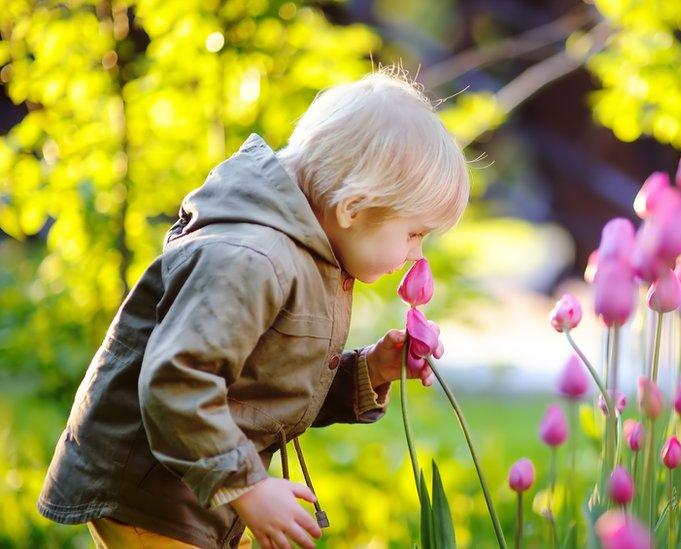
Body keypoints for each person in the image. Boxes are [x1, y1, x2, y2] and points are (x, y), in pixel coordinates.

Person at [37, 67, 470, 548]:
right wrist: (249, 487)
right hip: (154, 495)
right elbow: (176, 382)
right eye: (413, 233)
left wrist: (372, 370)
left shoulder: (306, 256)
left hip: (201, 488)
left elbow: (264, 388)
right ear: (353, 207)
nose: (417, 254)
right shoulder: (250, 259)